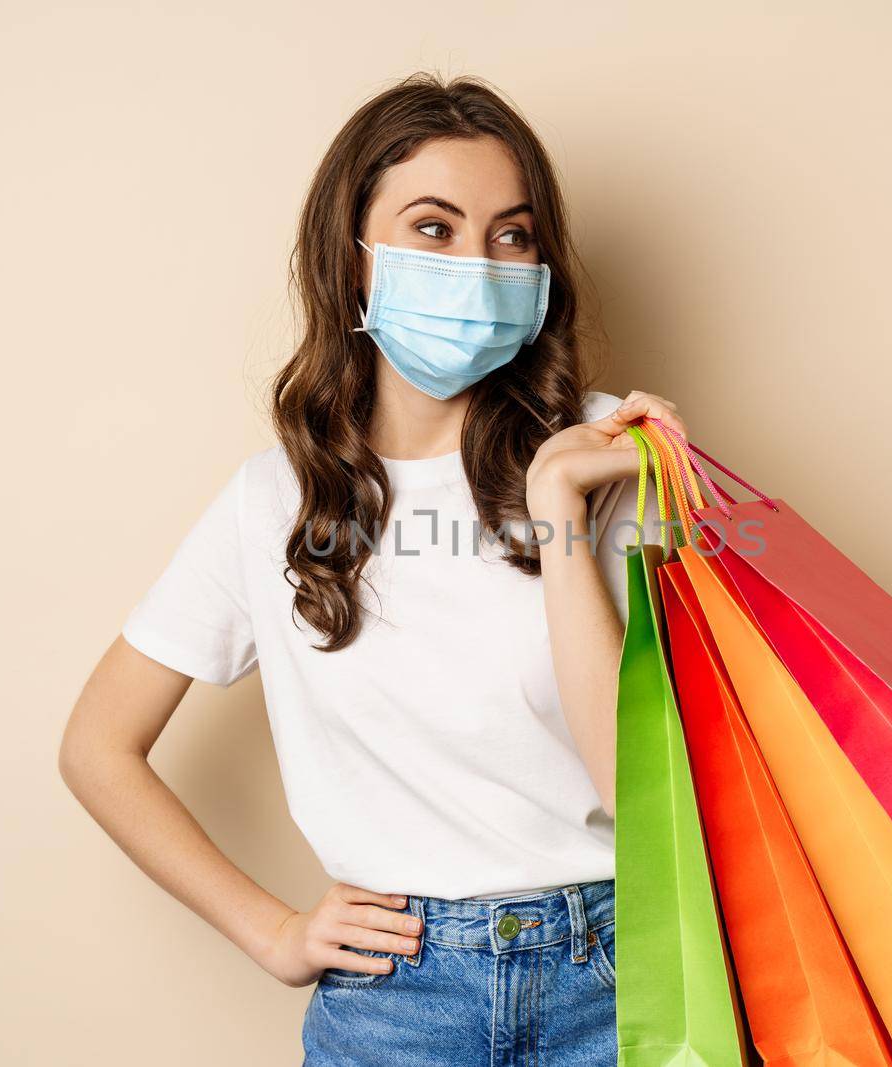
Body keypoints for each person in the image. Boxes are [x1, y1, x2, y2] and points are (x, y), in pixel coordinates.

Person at [58, 71, 685, 1066]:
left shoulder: (606, 452)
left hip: (621, 979)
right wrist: (271, 929)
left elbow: (640, 785)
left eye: (511, 235)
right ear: (352, 259)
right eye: (434, 229)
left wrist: (559, 506)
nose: (479, 267)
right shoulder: (276, 499)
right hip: (394, 1007)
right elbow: (98, 744)